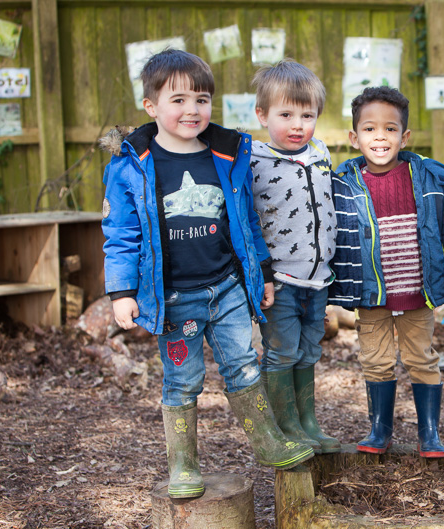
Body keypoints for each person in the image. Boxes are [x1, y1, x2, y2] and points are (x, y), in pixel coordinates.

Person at [100, 49, 313, 499]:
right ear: (151, 107)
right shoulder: (132, 164)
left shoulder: (228, 154)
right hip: (175, 298)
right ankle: (183, 463)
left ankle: (268, 441)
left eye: (201, 99)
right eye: (178, 100)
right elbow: (120, 232)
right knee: (183, 378)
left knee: (243, 363)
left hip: (228, 288)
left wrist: (264, 274)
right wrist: (121, 291)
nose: (191, 110)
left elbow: (248, 220)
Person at [330, 86, 444, 458]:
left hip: (416, 292)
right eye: (370, 129)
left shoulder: (428, 178)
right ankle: (380, 428)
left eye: (390, 129)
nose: (380, 137)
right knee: (375, 360)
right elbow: (332, 239)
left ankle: (430, 432)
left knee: (421, 358)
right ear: (354, 137)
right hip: (372, 294)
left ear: (404, 136)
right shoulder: (343, 184)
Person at [249, 59, 340, 454]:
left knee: (310, 349)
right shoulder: (253, 162)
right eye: (285, 115)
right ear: (262, 115)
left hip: (318, 278)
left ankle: (308, 422)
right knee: (282, 350)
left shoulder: (320, 155)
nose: (298, 124)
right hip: (281, 279)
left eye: (307, 115)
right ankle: (285, 425)